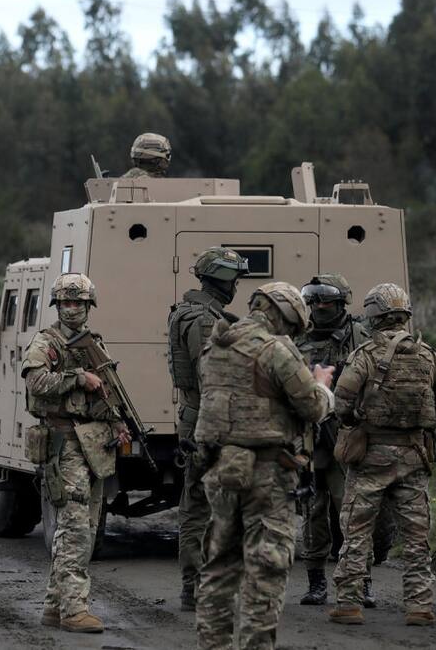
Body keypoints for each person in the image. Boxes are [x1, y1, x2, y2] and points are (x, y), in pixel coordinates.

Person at [194, 282, 335, 650]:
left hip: (222, 469)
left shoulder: (215, 346)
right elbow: (313, 408)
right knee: (266, 570)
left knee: (218, 569)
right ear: (284, 315)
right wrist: (322, 384)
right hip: (268, 473)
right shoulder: (276, 350)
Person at [329, 283, 436, 627]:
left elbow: (341, 401)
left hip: (369, 455)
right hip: (414, 456)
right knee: (416, 536)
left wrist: (354, 418)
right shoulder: (428, 355)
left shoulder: (365, 355)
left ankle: (348, 603)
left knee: (356, 531)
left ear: (373, 316)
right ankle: (419, 606)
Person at [22, 273, 130, 634]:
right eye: (65, 303)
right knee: (75, 528)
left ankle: (55, 607)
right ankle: (74, 609)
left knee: (86, 523)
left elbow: (106, 392)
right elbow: (36, 381)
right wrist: (77, 378)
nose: (71, 309)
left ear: (88, 306)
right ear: (57, 305)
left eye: (78, 303)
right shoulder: (46, 341)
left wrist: (117, 422)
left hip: (94, 443)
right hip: (64, 441)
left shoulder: (93, 342)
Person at [166, 246, 247, 611]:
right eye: (235, 279)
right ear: (223, 280)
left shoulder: (198, 312)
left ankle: (200, 586)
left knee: (202, 503)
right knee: (203, 506)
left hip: (197, 416)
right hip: (207, 419)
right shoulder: (202, 320)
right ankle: (197, 588)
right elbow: (209, 376)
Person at [295, 274, 381, 608]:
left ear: (341, 303)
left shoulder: (359, 336)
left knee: (354, 512)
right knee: (313, 511)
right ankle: (316, 582)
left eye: (325, 301)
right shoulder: (298, 337)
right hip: (311, 438)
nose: (318, 307)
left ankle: (362, 581)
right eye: (313, 301)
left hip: (347, 436)